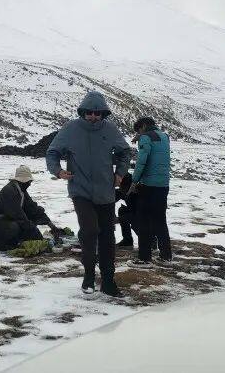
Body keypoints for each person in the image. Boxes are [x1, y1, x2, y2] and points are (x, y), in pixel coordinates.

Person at [46, 91, 131, 297]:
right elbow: (52, 152)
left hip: (105, 191)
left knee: (107, 236)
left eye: (97, 113)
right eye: (89, 113)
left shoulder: (110, 130)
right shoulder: (71, 129)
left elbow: (124, 152)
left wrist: (120, 173)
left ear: (103, 114)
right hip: (80, 189)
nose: (93, 117)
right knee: (90, 230)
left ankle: (109, 281)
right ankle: (89, 276)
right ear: (82, 112)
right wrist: (57, 171)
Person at [0, 165, 60, 254]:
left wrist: (51, 225)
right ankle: (2, 243)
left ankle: (15, 241)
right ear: (23, 181)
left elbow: (33, 209)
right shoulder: (9, 191)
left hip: (6, 221)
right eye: (29, 181)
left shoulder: (21, 190)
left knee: (29, 223)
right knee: (16, 227)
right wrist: (33, 230)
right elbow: (18, 215)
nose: (30, 184)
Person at [129, 116, 171, 265]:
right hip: (163, 184)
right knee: (160, 220)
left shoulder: (145, 137)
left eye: (139, 129)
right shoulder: (165, 136)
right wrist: (141, 136)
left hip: (148, 185)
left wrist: (134, 181)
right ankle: (166, 256)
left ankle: (144, 258)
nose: (139, 132)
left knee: (144, 221)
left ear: (144, 126)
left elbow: (142, 160)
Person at [115, 175, 139, 248]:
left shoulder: (138, 194)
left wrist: (118, 219)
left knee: (132, 219)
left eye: (122, 187)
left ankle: (151, 240)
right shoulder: (123, 191)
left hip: (143, 218)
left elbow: (137, 214)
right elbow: (111, 199)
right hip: (133, 213)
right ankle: (127, 240)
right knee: (122, 210)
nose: (120, 189)